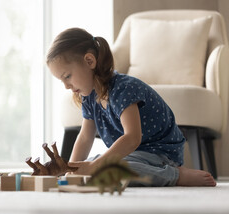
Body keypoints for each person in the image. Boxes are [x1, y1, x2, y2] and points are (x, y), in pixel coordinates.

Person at [46, 28, 216, 187]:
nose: (66, 86)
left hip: (160, 153)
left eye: (67, 76)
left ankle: (176, 175)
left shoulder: (123, 88)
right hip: (133, 155)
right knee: (94, 162)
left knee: (108, 169)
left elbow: (132, 138)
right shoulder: (89, 96)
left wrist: (95, 166)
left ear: (90, 61)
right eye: (62, 80)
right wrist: (71, 172)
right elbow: (85, 137)